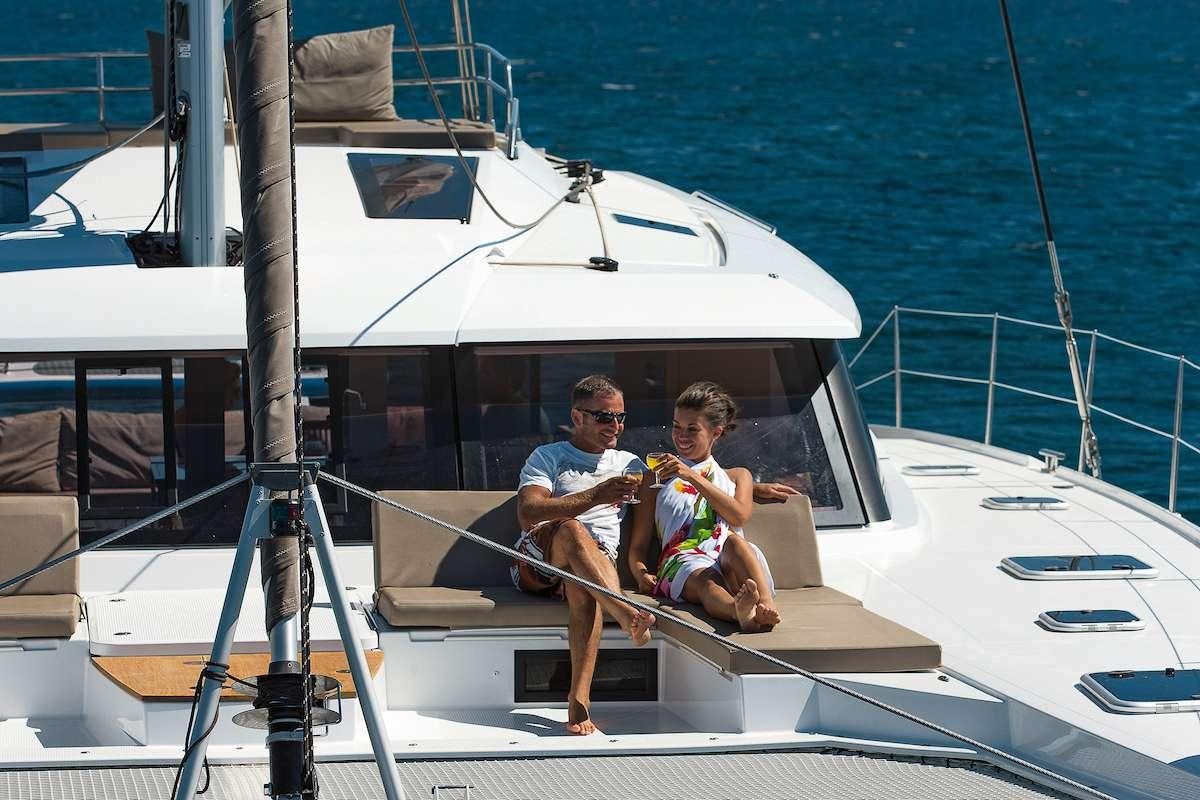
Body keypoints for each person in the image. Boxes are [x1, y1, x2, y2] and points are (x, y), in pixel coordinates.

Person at [513, 375, 656, 736]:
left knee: (584, 584)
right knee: (575, 530)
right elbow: (528, 513)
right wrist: (597, 495)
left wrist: (750, 486)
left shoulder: (633, 464)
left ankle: (579, 699)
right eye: (605, 417)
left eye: (621, 417)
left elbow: (655, 517)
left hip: (596, 561)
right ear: (577, 417)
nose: (616, 426)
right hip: (540, 558)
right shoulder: (549, 456)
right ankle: (625, 615)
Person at [628, 381, 782, 633]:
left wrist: (691, 476)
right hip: (683, 561)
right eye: (676, 427)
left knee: (735, 542)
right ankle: (739, 611)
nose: (681, 436)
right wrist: (640, 574)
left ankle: (766, 606)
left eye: (692, 429)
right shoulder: (654, 479)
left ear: (716, 433)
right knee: (706, 581)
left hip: (730, 559)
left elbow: (739, 516)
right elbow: (639, 546)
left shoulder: (737, 476)